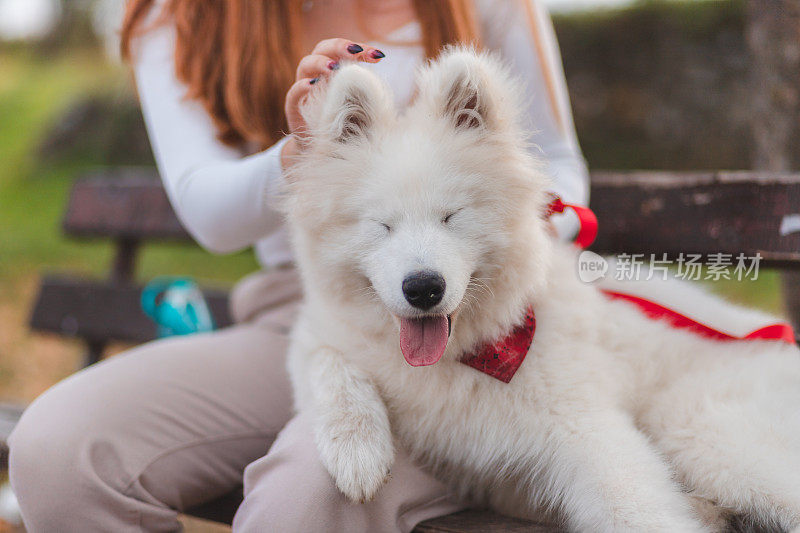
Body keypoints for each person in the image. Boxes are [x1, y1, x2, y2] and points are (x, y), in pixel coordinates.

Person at [8, 0, 588, 531]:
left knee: (302, 506)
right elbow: (209, 213)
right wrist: (301, 155)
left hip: (477, 325)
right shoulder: (180, 13)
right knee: (58, 453)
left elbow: (559, 166)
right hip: (306, 313)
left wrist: (496, 239)